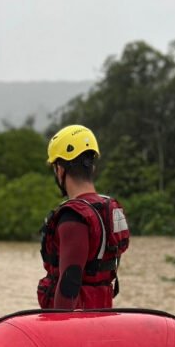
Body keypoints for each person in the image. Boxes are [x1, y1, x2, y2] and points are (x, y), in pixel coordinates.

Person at [38, 125, 129, 310]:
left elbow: (69, 284)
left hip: (78, 323)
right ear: (92, 167)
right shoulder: (109, 208)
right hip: (102, 314)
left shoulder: (73, 217)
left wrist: (59, 330)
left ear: (60, 169)